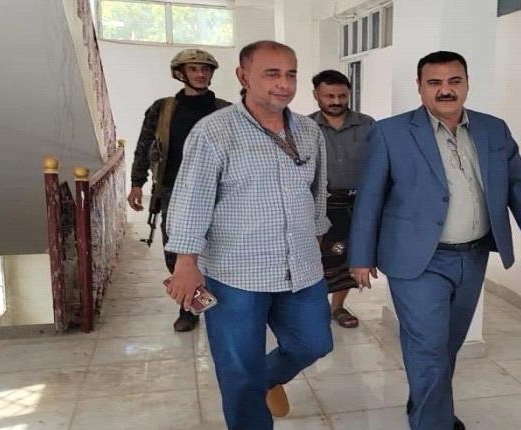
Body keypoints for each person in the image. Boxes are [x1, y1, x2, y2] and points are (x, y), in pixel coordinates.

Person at [348, 51, 521, 430]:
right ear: (419, 87)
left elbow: (520, 186)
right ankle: (434, 422)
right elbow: (370, 198)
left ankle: (427, 406)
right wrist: (361, 256)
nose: (445, 90)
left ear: (466, 83)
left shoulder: (493, 129)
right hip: (417, 260)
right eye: (434, 82)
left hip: (473, 256)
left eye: (454, 81)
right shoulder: (390, 133)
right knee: (428, 348)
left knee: (447, 344)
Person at [163, 41, 333, 430]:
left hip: (301, 269)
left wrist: (317, 238)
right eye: (272, 74)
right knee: (239, 370)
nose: (284, 84)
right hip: (235, 274)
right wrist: (186, 263)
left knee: (315, 343)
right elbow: (191, 199)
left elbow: (317, 193)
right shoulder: (214, 131)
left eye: (291, 74)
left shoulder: (309, 131)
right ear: (243, 76)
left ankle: (266, 380)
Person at [126, 48, 230, 332]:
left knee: (221, 250)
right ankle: (190, 308)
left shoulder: (226, 110)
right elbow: (145, 146)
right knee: (177, 253)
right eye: (194, 69)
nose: (201, 74)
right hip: (174, 191)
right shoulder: (163, 109)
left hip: (220, 192)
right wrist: (137, 183)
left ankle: (226, 307)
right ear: (180, 73)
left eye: (205, 69)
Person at [309, 70, 375, 329]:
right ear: (316, 95)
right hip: (318, 205)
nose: (336, 101)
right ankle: (314, 308)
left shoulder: (367, 125)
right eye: (329, 96)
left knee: (347, 256)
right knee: (316, 258)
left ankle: (337, 307)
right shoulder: (304, 126)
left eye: (342, 96)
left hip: (357, 205)